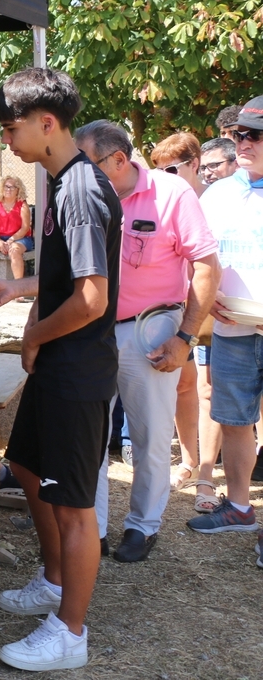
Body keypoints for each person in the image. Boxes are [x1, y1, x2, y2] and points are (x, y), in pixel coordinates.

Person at [0, 68, 120, 671]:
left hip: (77, 368)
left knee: (74, 504)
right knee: (27, 465)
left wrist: (32, 334)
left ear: (47, 123)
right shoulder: (60, 184)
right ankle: (56, 580)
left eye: (10, 128)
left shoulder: (80, 189)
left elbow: (92, 298)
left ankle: (71, 632)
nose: (7, 139)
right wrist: (18, 290)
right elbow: (65, 279)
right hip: (59, 362)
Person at [73, 121, 219, 564]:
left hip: (150, 330)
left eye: (88, 163)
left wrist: (183, 338)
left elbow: (207, 267)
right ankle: (92, 529)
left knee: (150, 434)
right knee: (91, 436)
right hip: (90, 331)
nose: (80, 172)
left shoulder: (173, 195)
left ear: (119, 160)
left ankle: (142, 526)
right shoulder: (83, 196)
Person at [185, 97, 263, 556]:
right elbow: (199, 255)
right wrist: (205, 295)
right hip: (232, 327)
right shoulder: (218, 193)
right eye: (240, 135)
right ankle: (238, 506)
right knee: (234, 420)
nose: (243, 144)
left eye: (255, 136)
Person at [148, 132, 210, 497]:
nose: (165, 176)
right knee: (186, 387)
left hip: (220, 309)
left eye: (171, 169)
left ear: (195, 164)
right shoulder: (165, 200)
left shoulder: (215, 199)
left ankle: (209, 469)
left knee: (209, 388)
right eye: (158, 170)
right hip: (181, 309)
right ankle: (189, 461)